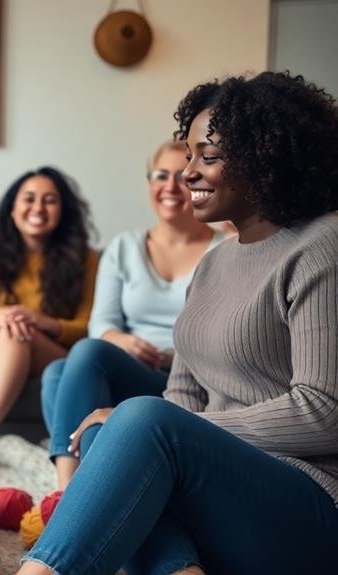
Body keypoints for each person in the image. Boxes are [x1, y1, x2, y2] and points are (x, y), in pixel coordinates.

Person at [18, 71, 338, 575]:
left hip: (306, 503)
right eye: (188, 155)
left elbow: (324, 410)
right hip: (220, 497)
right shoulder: (213, 263)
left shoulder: (322, 244)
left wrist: (172, 427)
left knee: (138, 421)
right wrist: (156, 426)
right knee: (107, 439)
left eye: (207, 157)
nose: (188, 173)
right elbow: (183, 399)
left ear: (267, 156)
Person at [40, 141, 222, 489]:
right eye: (160, 176)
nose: (170, 187)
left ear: (198, 183)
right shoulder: (124, 247)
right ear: (150, 184)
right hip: (131, 368)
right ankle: (76, 485)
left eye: (182, 177)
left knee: (85, 354)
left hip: (184, 380)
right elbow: (102, 324)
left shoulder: (223, 249)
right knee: (57, 372)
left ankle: (75, 489)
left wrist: (169, 353)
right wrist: (122, 341)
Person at [0, 167, 98, 478]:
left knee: (16, 330)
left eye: (49, 200)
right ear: (13, 208)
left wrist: (40, 321)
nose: (38, 208)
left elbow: (87, 327)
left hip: (54, 355)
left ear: (63, 212)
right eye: (29, 199)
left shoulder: (86, 259)